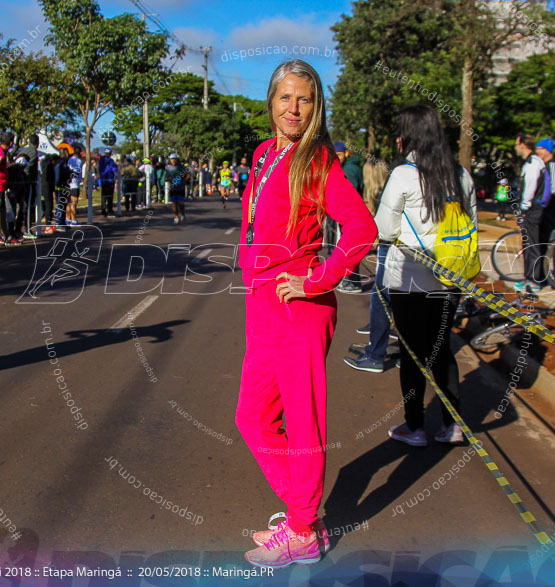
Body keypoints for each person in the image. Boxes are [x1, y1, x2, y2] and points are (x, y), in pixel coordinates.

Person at [235, 59, 377, 569]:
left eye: (305, 100)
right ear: (271, 101)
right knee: (252, 417)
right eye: (286, 97)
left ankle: (301, 529)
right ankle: (305, 517)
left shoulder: (317, 162)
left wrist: (317, 279)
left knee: (303, 421)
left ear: (316, 108)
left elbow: (361, 229)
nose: (294, 109)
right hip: (262, 305)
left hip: (300, 308)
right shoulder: (265, 153)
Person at [374, 103, 476, 447]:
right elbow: (471, 225)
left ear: (411, 135)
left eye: (401, 131)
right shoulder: (462, 175)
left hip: (409, 280)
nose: (398, 138)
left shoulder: (403, 175)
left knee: (412, 353)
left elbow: (385, 230)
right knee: (443, 350)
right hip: (450, 279)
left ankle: (415, 427)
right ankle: (453, 424)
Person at [345, 159, 396, 373]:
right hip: (431, 254)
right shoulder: (458, 174)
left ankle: (376, 353)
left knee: (382, 296)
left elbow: (386, 227)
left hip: (396, 248)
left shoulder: (396, 181)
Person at [513, 132, 547, 292]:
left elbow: (530, 188)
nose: (515, 147)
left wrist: (524, 207)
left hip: (532, 210)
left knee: (532, 244)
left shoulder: (533, 163)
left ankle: (533, 280)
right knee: (528, 244)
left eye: (516, 144)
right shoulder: (531, 162)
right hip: (532, 209)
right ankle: (528, 278)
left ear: (522, 144)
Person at [334, 141, 365, 294]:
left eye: (339, 155)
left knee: (348, 248)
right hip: (351, 216)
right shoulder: (350, 166)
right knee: (349, 247)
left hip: (350, 217)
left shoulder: (350, 169)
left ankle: (351, 282)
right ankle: (351, 280)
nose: (337, 158)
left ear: (346, 153)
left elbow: (348, 194)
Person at [536, 138, 555, 250]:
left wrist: (542, 201)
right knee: (543, 239)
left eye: (541, 149)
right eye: (537, 149)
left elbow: (554, 189)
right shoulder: (542, 165)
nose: (538, 151)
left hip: (551, 209)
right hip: (543, 208)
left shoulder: (552, 165)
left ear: (548, 150)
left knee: (553, 240)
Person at [17, 135, 41, 238]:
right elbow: (29, 168)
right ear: (37, 143)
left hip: (20, 181)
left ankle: (18, 229)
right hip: (28, 182)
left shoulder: (23, 150)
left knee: (21, 206)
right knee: (28, 206)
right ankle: (27, 230)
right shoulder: (33, 152)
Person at [165, 153, 186, 223]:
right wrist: (168, 179)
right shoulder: (168, 168)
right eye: (171, 159)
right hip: (173, 188)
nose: (173, 160)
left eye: (174, 159)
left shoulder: (181, 167)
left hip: (181, 188)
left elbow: (188, 174)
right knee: (174, 203)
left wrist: (185, 180)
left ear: (177, 159)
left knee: (181, 203)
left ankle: (182, 213)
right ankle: (176, 217)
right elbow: (165, 178)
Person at [99, 148, 118, 216]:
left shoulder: (101, 160)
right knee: (110, 196)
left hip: (103, 180)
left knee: (103, 196)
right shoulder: (111, 161)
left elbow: (100, 169)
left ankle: (103, 210)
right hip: (110, 180)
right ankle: (109, 209)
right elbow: (114, 169)